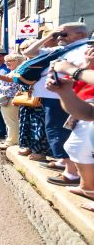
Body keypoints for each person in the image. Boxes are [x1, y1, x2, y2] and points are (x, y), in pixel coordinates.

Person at [23, 22, 90, 173]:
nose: (59, 37)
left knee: (59, 130)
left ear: (81, 34)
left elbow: (82, 73)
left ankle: (70, 169)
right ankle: (64, 162)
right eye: (57, 34)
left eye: (64, 34)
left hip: (64, 97)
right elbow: (29, 52)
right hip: (53, 96)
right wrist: (49, 35)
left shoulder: (85, 49)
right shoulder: (61, 49)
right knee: (55, 129)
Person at [45, 44, 94, 211]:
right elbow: (87, 112)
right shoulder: (87, 68)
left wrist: (73, 70)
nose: (89, 49)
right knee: (74, 146)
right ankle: (87, 187)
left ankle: (88, 187)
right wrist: (63, 92)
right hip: (87, 108)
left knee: (78, 147)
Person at [0, 53, 26, 150]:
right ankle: (13, 140)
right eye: (6, 61)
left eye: (10, 61)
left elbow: (10, 80)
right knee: (10, 121)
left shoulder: (18, 71)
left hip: (11, 98)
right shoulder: (14, 71)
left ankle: (11, 141)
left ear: (18, 61)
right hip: (7, 98)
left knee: (11, 121)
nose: (7, 63)